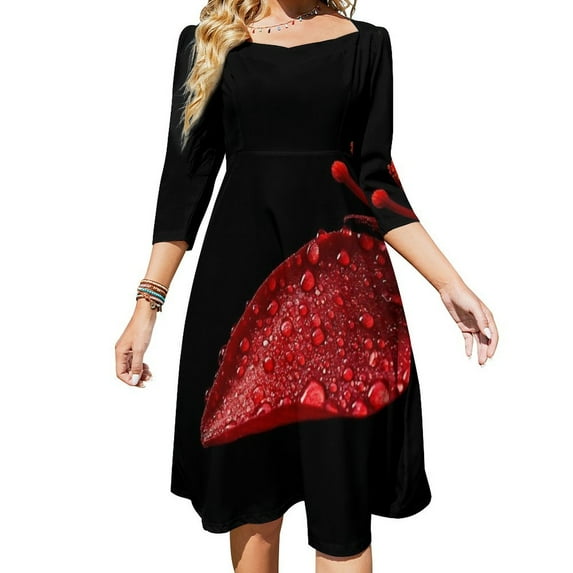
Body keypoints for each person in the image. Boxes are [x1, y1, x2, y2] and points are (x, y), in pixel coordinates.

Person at [115, 1, 499, 571]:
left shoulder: (367, 44)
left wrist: (449, 284)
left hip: (341, 300)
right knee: (251, 499)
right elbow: (185, 179)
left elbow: (375, 178)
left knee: (343, 508)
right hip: (239, 295)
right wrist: (147, 306)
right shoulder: (210, 40)